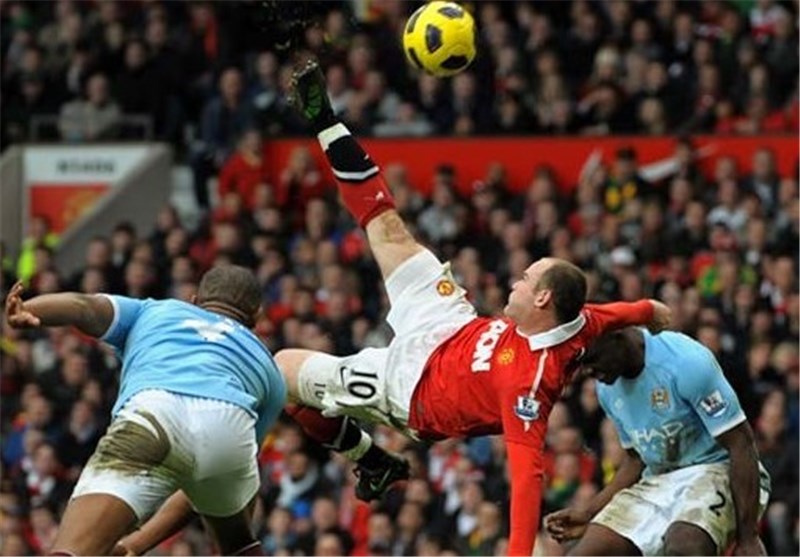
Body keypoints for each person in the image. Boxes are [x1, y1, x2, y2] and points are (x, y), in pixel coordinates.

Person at [275, 60, 672, 556]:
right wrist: (648, 308)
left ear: (543, 299)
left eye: (527, 278)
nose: (516, 278)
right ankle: (326, 120)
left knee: (281, 372)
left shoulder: (529, 384)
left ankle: (370, 459)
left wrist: (518, 553)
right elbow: (616, 312)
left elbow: (526, 478)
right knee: (388, 227)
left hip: (412, 389)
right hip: (450, 323)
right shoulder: (575, 320)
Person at [3, 265, 286, 556]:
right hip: (229, 426)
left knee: (73, 550)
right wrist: (136, 544)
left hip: (154, 412)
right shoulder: (270, 371)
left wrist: (29, 309)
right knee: (239, 543)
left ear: (193, 300)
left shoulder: (154, 310)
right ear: (257, 316)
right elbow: (208, 476)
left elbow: (84, 306)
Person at [545, 327, 771, 556]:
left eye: (592, 359)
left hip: (716, 468)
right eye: (582, 363)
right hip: (659, 478)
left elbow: (741, 444)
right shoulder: (606, 387)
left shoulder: (685, 361)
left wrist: (749, 538)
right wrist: (589, 512)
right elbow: (636, 460)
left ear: (618, 336)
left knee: (685, 544)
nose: (588, 371)